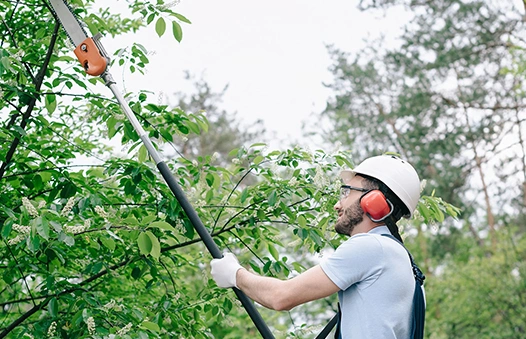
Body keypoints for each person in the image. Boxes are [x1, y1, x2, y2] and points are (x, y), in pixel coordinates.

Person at [210, 155, 424, 338]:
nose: (337, 204)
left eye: (347, 192)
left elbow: (281, 297)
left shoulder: (371, 247)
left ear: (373, 200)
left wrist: (235, 274)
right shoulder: (407, 265)